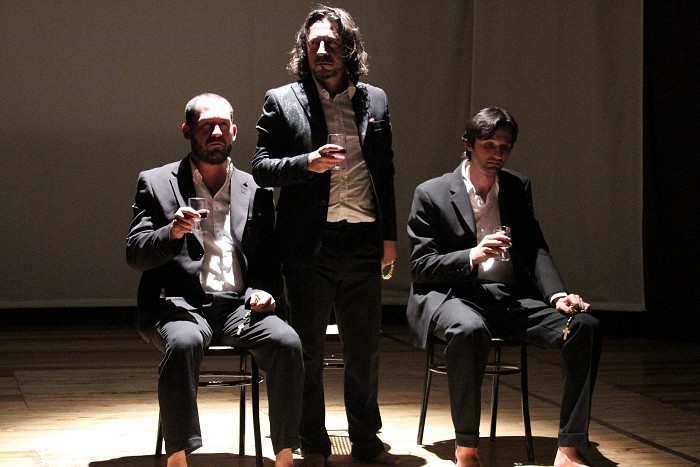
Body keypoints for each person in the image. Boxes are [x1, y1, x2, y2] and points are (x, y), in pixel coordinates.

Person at [406, 107, 602, 467]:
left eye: (505, 147)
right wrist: (473, 255)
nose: (498, 153)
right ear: (469, 145)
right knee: (468, 330)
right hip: (455, 296)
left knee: (583, 326)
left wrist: (558, 295)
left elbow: (534, 247)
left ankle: (569, 447)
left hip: (508, 298)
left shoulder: (515, 186)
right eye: (489, 145)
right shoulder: (432, 193)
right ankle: (467, 449)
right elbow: (421, 267)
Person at [252, 6, 400, 467]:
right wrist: (307, 163)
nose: (321, 50)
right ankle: (312, 442)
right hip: (309, 244)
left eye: (331, 43)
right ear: (304, 49)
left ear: (347, 48)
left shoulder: (375, 100)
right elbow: (261, 168)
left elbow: (385, 172)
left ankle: (366, 440)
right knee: (308, 348)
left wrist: (390, 238)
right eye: (313, 43)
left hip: (363, 239)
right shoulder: (283, 100)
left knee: (365, 350)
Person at [126, 93, 303, 467]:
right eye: (207, 126)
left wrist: (264, 292)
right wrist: (172, 232)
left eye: (223, 125)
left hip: (239, 307)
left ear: (234, 132)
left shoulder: (255, 188)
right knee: (184, 342)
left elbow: (267, 261)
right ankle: (178, 458)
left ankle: (285, 456)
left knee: (287, 341)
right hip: (181, 306)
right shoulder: (156, 183)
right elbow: (135, 254)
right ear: (188, 131)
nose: (217, 133)